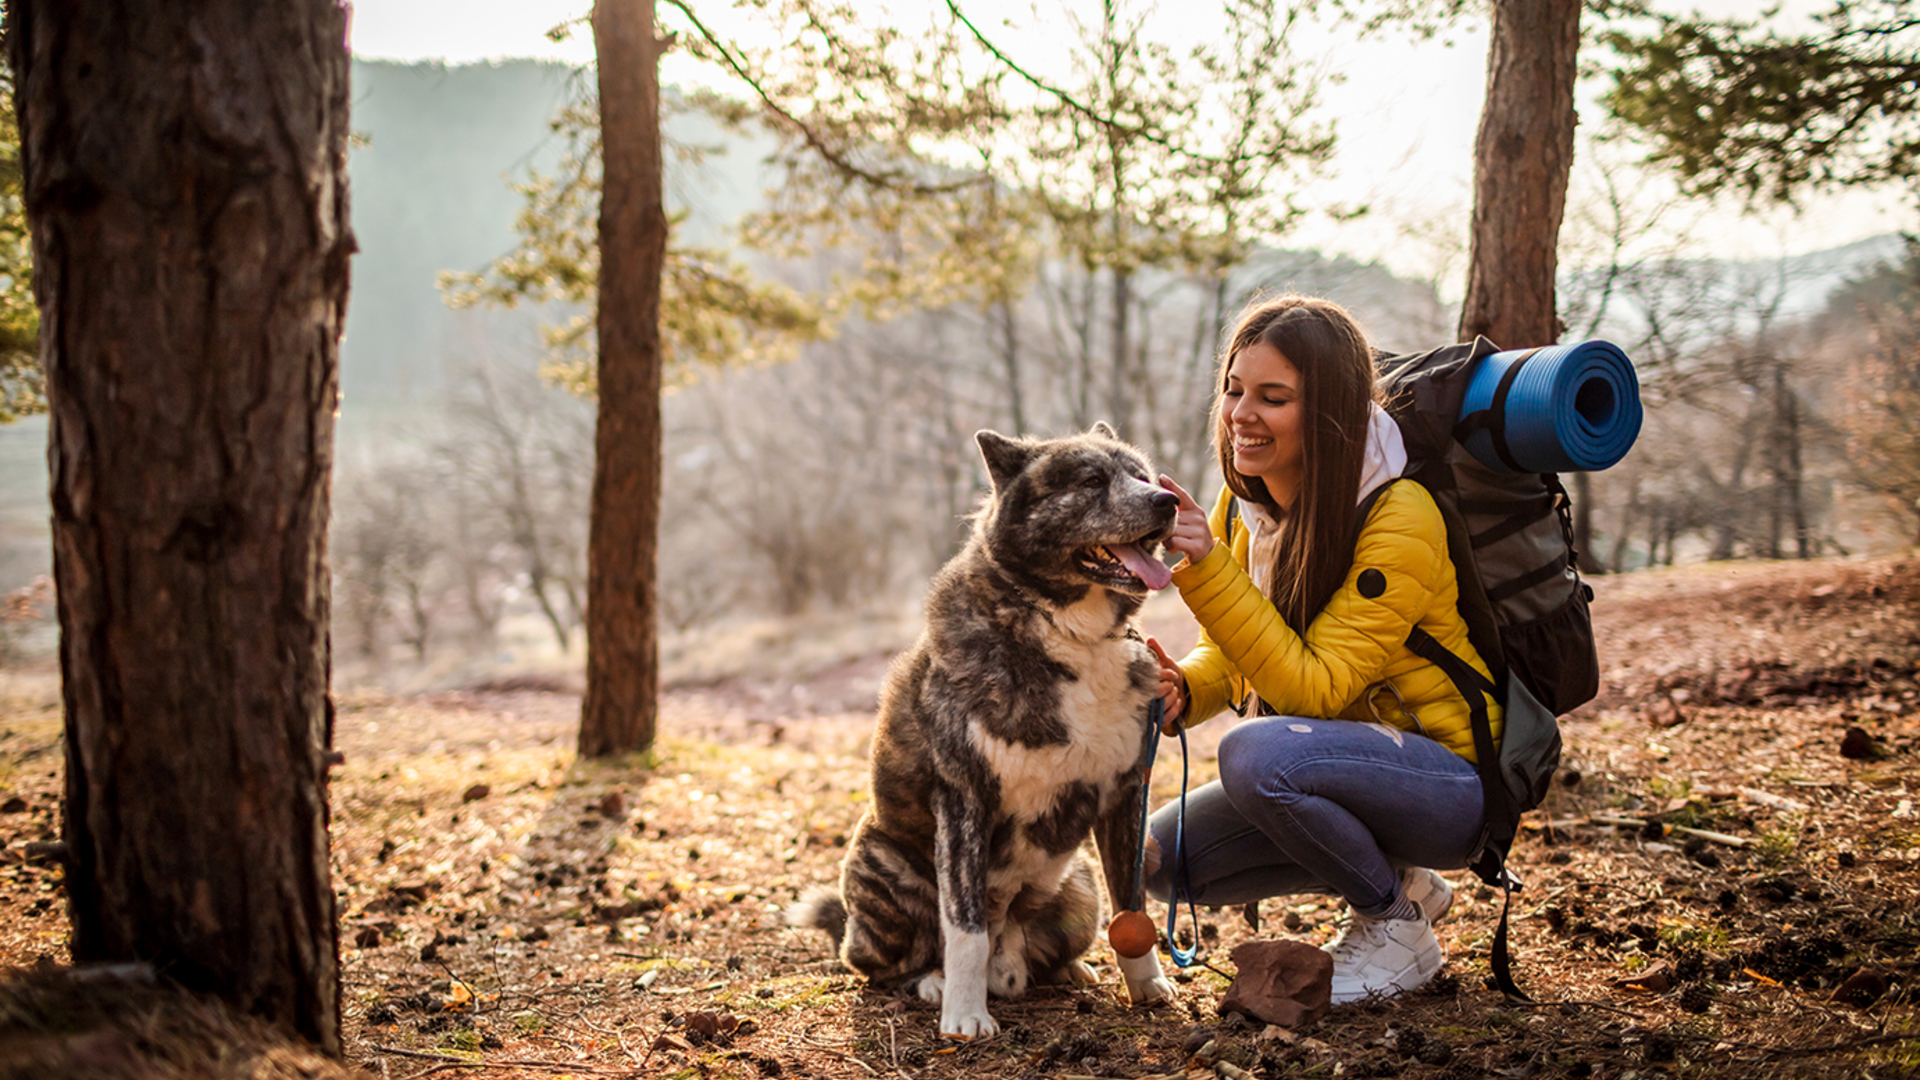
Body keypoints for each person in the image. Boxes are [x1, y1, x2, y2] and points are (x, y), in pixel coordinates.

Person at [1142, 294, 1503, 1004]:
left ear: (1329, 413)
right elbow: (1238, 652)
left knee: (1255, 754)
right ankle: (1403, 882)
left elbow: (1315, 689)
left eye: (1273, 398)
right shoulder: (1245, 508)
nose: (1242, 414)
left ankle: (1395, 928)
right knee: (1163, 859)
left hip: (1450, 784)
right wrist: (1188, 687)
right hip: (1344, 765)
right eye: (1234, 390)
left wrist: (1208, 570)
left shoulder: (1399, 514)